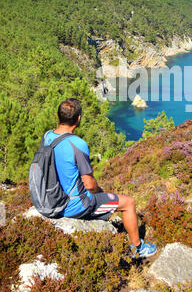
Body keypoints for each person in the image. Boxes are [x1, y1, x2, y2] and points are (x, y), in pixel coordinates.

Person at [43, 98, 157, 259]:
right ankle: (138, 248)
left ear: (59, 116)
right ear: (78, 118)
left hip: (52, 199)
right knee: (128, 202)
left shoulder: (47, 136)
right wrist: (99, 193)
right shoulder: (77, 144)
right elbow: (89, 184)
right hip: (74, 206)